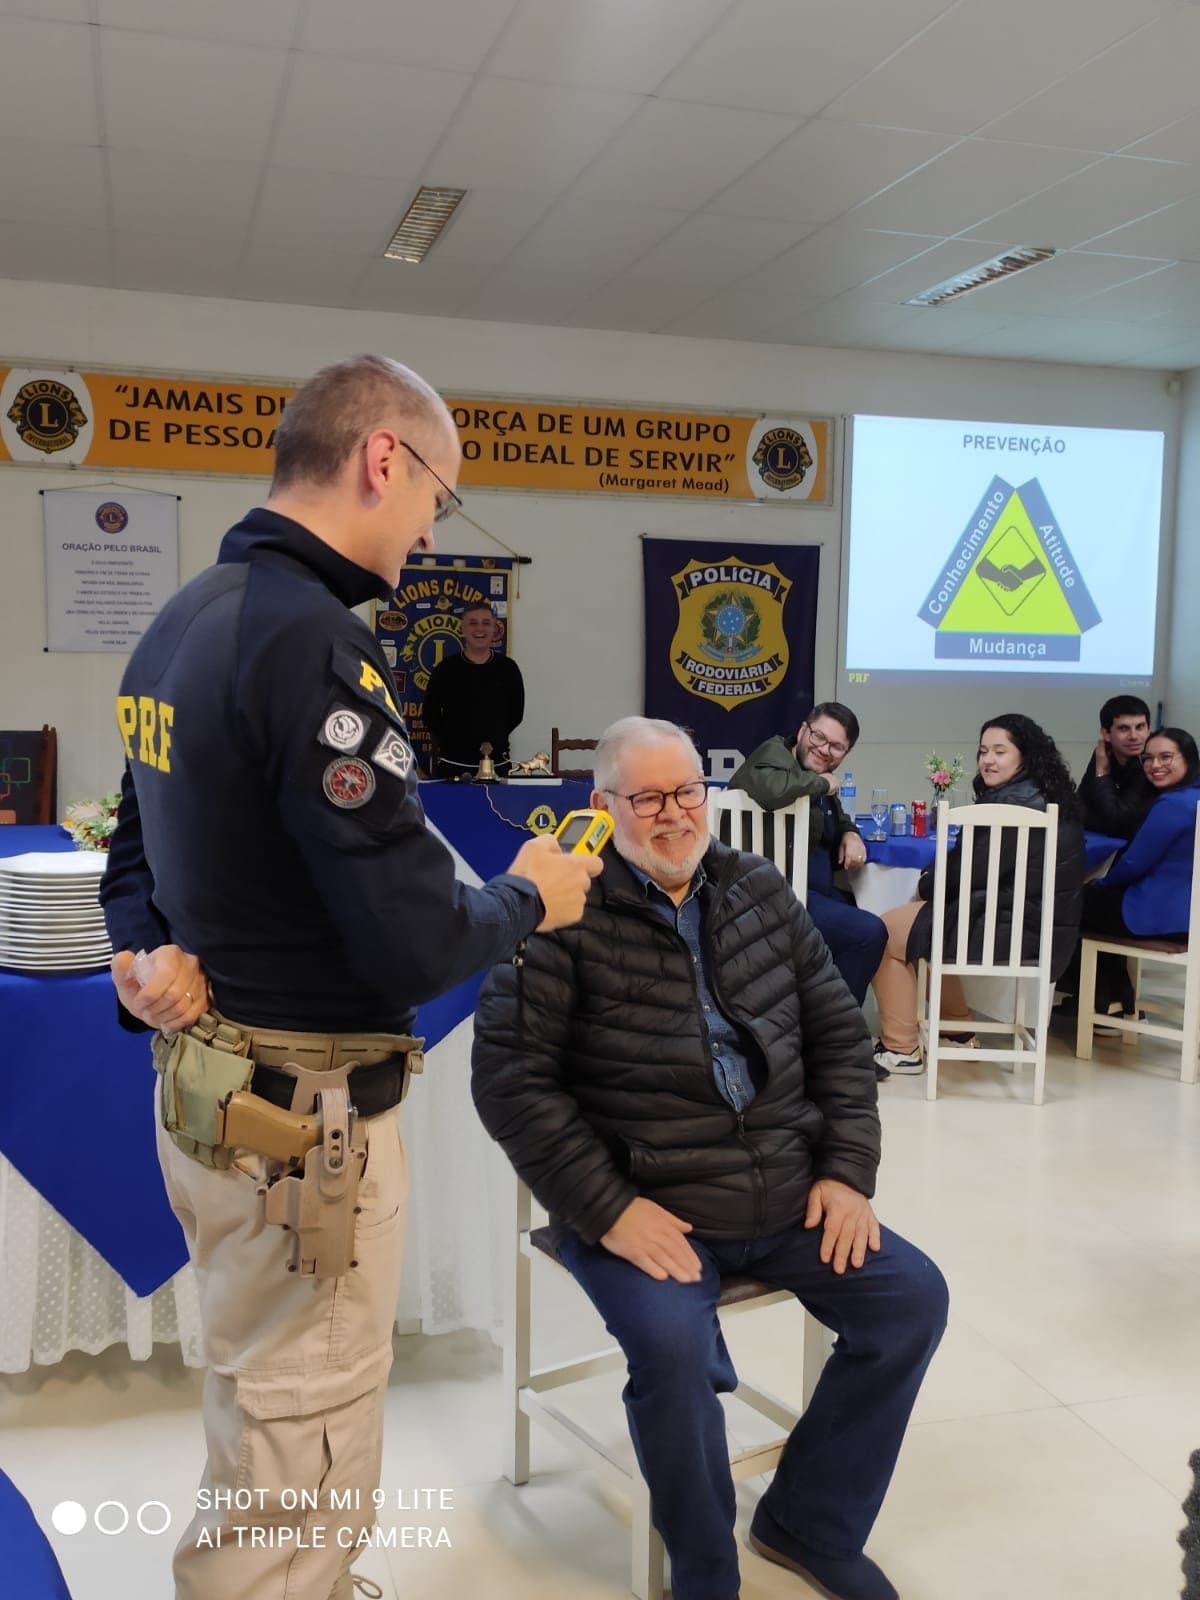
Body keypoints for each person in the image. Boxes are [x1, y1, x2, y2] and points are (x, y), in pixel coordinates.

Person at [98, 354, 600, 1600]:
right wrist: (535, 894)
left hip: (214, 1088)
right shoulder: (319, 646)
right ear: (385, 459)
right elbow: (416, 941)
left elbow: (130, 848)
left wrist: (140, 949)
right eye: (440, 495)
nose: (433, 530)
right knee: (304, 1419)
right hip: (305, 1114)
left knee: (260, 1389)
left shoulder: (185, 616)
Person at [472, 716, 948, 1600]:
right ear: (602, 805)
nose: (672, 815)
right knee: (673, 1349)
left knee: (911, 1302)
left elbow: (841, 1042)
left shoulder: (757, 887)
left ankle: (806, 1522)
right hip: (644, 1203)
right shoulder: (557, 909)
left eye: (686, 792)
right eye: (646, 797)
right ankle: (703, 1566)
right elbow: (509, 1083)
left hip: (785, 1189)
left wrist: (847, 1172)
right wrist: (609, 1210)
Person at [870, 714, 1085, 1075]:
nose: (988, 759)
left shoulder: (1007, 808)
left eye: (1000, 751)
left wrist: (925, 884)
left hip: (1006, 927)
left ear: (1025, 757)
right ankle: (957, 1031)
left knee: (883, 932)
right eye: (983, 751)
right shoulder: (1048, 798)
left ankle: (901, 1048)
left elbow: (963, 874)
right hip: (1038, 930)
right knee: (923, 925)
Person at [728, 702, 886, 1008]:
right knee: (869, 933)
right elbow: (773, 791)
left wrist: (850, 833)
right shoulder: (773, 756)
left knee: (874, 910)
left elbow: (835, 814)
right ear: (802, 730)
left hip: (810, 891)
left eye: (837, 746)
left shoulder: (812, 775)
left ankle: (817, 1019)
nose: (824, 749)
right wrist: (823, 783)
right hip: (773, 897)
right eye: (818, 737)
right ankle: (836, 1034)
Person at [1061, 727, 1200, 1015]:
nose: (1155, 766)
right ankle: (1111, 1001)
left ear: (1189, 759)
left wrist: (1102, 882)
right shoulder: (1193, 798)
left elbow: (1135, 863)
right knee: (1094, 906)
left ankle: (1101, 1003)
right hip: (1189, 916)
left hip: (1156, 915)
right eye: (1148, 759)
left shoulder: (1174, 804)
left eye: (1165, 757)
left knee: (1069, 904)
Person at [423, 600, 525, 778]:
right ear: (462, 629)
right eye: (473, 623)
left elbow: (516, 714)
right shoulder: (445, 669)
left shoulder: (508, 669)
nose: (480, 629)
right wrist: (454, 739)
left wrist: (493, 734)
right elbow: (429, 715)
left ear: (494, 629)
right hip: (453, 765)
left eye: (486, 623)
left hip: (496, 765)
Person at [1078, 694, 1154, 840]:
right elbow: (1078, 805)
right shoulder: (1104, 752)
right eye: (1124, 729)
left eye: (1140, 727)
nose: (1134, 736)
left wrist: (1102, 774)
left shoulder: (1150, 760)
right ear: (1106, 733)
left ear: (1149, 729)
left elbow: (1117, 822)